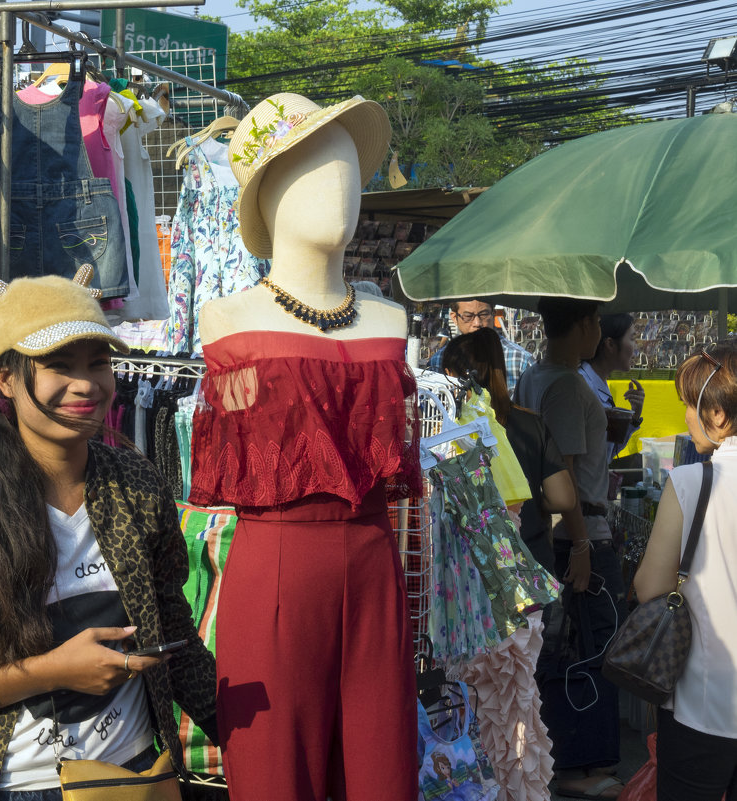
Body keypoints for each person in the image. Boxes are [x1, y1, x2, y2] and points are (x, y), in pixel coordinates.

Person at [0, 274, 217, 801]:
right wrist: (48, 673)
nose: (87, 384)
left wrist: (257, 740)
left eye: (97, 362)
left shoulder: (137, 484)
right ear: (6, 378)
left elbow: (173, 629)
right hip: (1, 786)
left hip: (132, 776)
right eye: (59, 365)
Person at [190, 93, 419, 801]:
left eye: (348, 167)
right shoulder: (226, 319)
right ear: (273, 193)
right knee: (275, 775)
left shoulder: (388, 317)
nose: (342, 184)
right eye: (318, 167)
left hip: (376, 561)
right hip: (276, 563)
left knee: (383, 771)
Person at [513, 297, 625, 800]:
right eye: (598, 320)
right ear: (582, 323)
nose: (600, 330)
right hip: (578, 537)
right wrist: (581, 543)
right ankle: (580, 766)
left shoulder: (536, 377)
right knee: (591, 648)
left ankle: (568, 760)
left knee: (563, 649)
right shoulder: (562, 384)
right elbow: (568, 480)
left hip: (556, 536)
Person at [634, 342, 737, 801]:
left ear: (716, 414)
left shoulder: (693, 481)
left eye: (688, 406)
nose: (685, 418)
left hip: (703, 700)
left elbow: (648, 587)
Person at [441, 328, 576, 573]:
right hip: (532, 564)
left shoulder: (448, 431)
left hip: (469, 569)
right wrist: (529, 500)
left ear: (450, 375)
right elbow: (563, 498)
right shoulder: (530, 424)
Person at [428, 298, 535, 396]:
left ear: (493, 314)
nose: (477, 323)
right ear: (454, 318)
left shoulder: (520, 360)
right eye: (468, 316)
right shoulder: (438, 360)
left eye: (484, 314)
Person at [578, 313, 645, 462]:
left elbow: (608, 451)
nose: (635, 346)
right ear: (610, 344)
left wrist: (634, 417)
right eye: (632, 339)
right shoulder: (584, 387)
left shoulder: (596, 382)